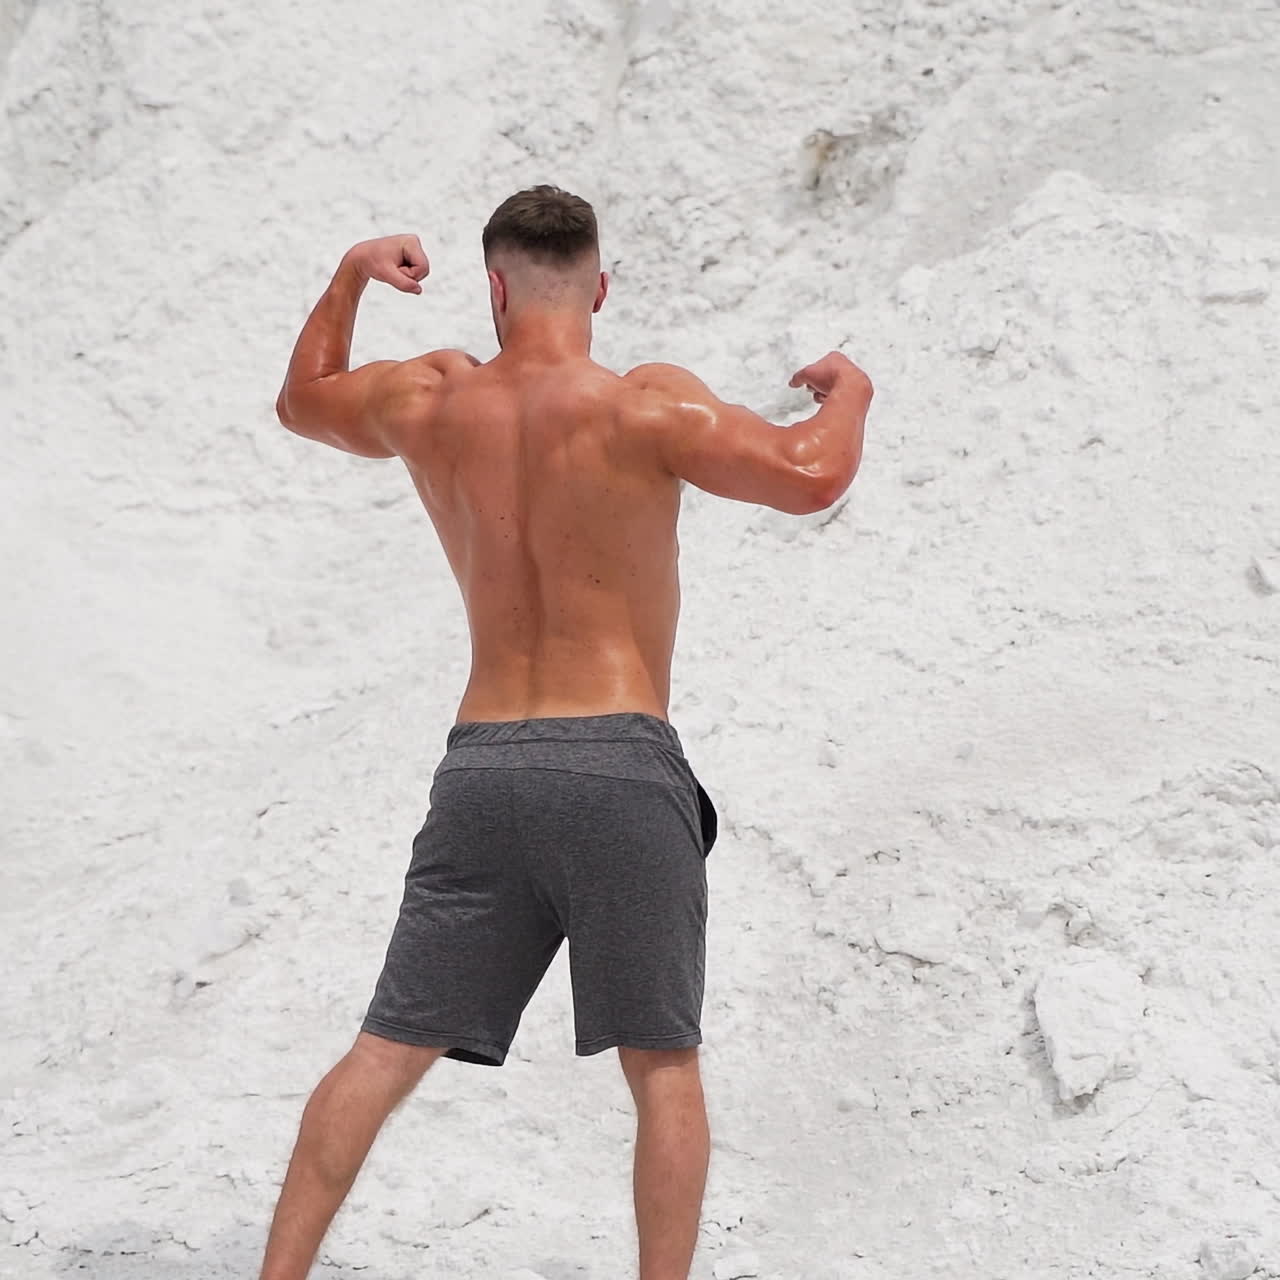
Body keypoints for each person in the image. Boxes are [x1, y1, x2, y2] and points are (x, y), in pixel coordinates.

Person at [260, 184, 872, 1280]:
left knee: (384, 1047)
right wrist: (851, 389)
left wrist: (353, 272)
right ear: (600, 286)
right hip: (619, 766)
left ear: (491, 288)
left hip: (483, 766)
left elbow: (301, 398)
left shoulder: (429, 398)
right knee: (662, 1067)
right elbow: (809, 470)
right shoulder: (643, 406)